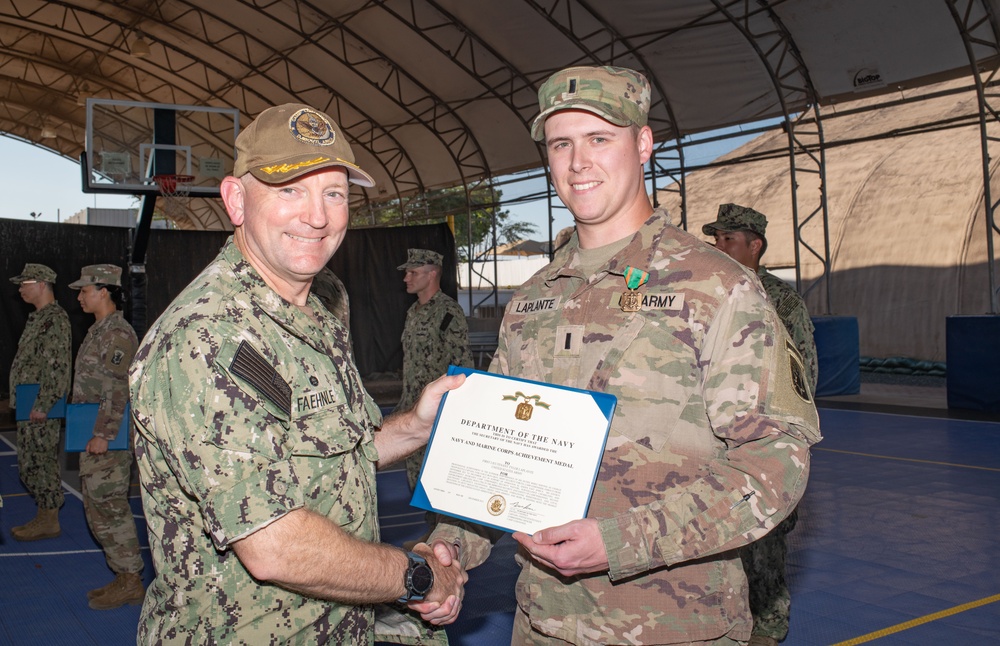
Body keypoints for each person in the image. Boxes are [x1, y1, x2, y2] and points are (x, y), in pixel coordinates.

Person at [428, 66, 822, 645]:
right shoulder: (533, 299)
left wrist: (623, 539)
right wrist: (450, 548)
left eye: (599, 138)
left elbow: (777, 463)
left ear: (642, 144)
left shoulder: (717, 285)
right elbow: (499, 457)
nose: (577, 162)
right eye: (561, 144)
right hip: (543, 624)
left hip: (677, 627)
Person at [129, 103, 468, 644]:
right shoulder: (209, 337)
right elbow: (274, 545)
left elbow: (328, 458)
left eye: (334, 193)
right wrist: (418, 577)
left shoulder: (317, 309)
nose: (318, 216)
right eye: (289, 190)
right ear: (236, 201)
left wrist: (417, 426)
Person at [703, 204, 819, 646]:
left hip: (757, 446)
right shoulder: (708, 290)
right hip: (709, 447)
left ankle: (766, 634)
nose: (719, 246)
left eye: (729, 239)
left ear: (755, 245)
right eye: (716, 239)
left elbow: (802, 375)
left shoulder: (782, 300)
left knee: (764, 551)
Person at [68, 264, 145, 610]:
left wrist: (103, 434)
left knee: (110, 508)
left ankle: (131, 579)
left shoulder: (117, 334)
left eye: (85, 290)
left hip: (107, 439)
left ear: (105, 291)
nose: (80, 296)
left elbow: (118, 389)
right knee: (98, 509)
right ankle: (123, 574)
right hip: (93, 434)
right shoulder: (99, 330)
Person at [396, 248, 473, 495]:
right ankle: (431, 527)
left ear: (431, 274)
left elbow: (462, 365)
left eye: (413, 272)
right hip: (412, 407)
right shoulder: (413, 312)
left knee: (440, 478)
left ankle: (443, 529)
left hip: (438, 412)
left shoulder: (448, 312)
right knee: (416, 476)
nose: (406, 278)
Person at [8, 263, 72, 541]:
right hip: (28, 402)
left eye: (26, 283)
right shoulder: (39, 318)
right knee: (29, 464)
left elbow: (58, 368)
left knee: (41, 462)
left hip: (39, 405)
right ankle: (45, 514)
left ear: (43, 284)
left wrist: (44, 404)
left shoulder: (55, 319)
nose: (21, 288)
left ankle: (49, 519)